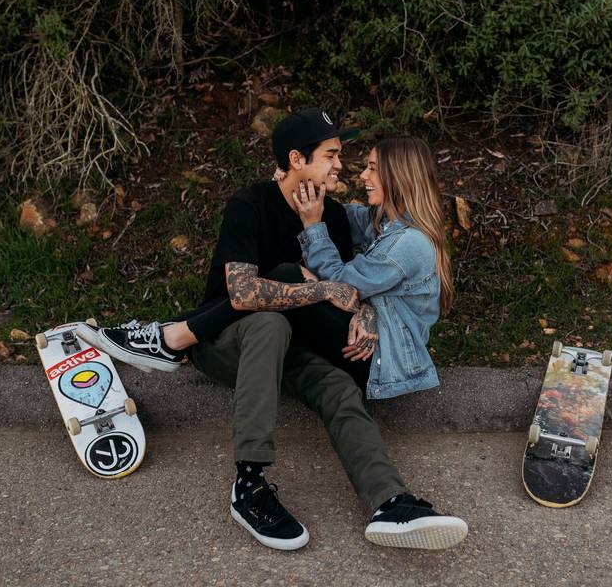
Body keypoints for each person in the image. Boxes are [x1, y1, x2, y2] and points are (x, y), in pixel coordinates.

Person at [79, 108, 468, 551]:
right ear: (297, 160)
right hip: (228, 343)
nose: (344, 166)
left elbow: (357, 283)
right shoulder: (251, 203)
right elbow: (245, 292)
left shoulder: (333, 218)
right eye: (332, 155)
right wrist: (319, 289)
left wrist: (365, 308)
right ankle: (248, 484)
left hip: (295, 348)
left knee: (339, 388)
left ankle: (391, 502)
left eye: (351, 159)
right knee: (270, 311)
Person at [291, 136, 453, 401]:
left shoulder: (408, 243)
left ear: (399, 176)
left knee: (286, 278)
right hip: (369, 343)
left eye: (373, 169)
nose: (364, 176)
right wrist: (300, 186)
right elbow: (346, 217)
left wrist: (312, 227)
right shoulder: (392, 222)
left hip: (377, 359)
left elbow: (339, 281)